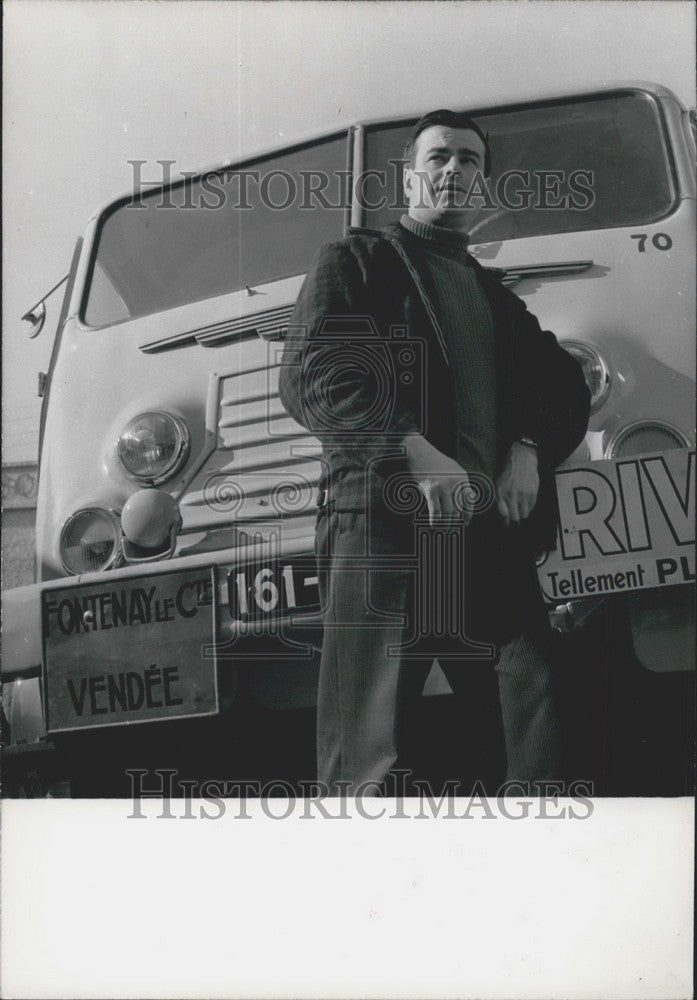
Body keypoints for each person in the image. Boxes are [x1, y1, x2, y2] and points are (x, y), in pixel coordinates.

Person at [279, 109, 590, 795]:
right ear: (408, 175)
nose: (454, 170)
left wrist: (528, 450)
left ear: (481, 182)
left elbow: (563, 385)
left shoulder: (491, 294)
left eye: (469, 161)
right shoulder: (357, 261)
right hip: (383, 531)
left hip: (486, 544)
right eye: (439, 157)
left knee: (530, 718)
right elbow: (316, 377)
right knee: (370, 743)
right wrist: (410, 451)